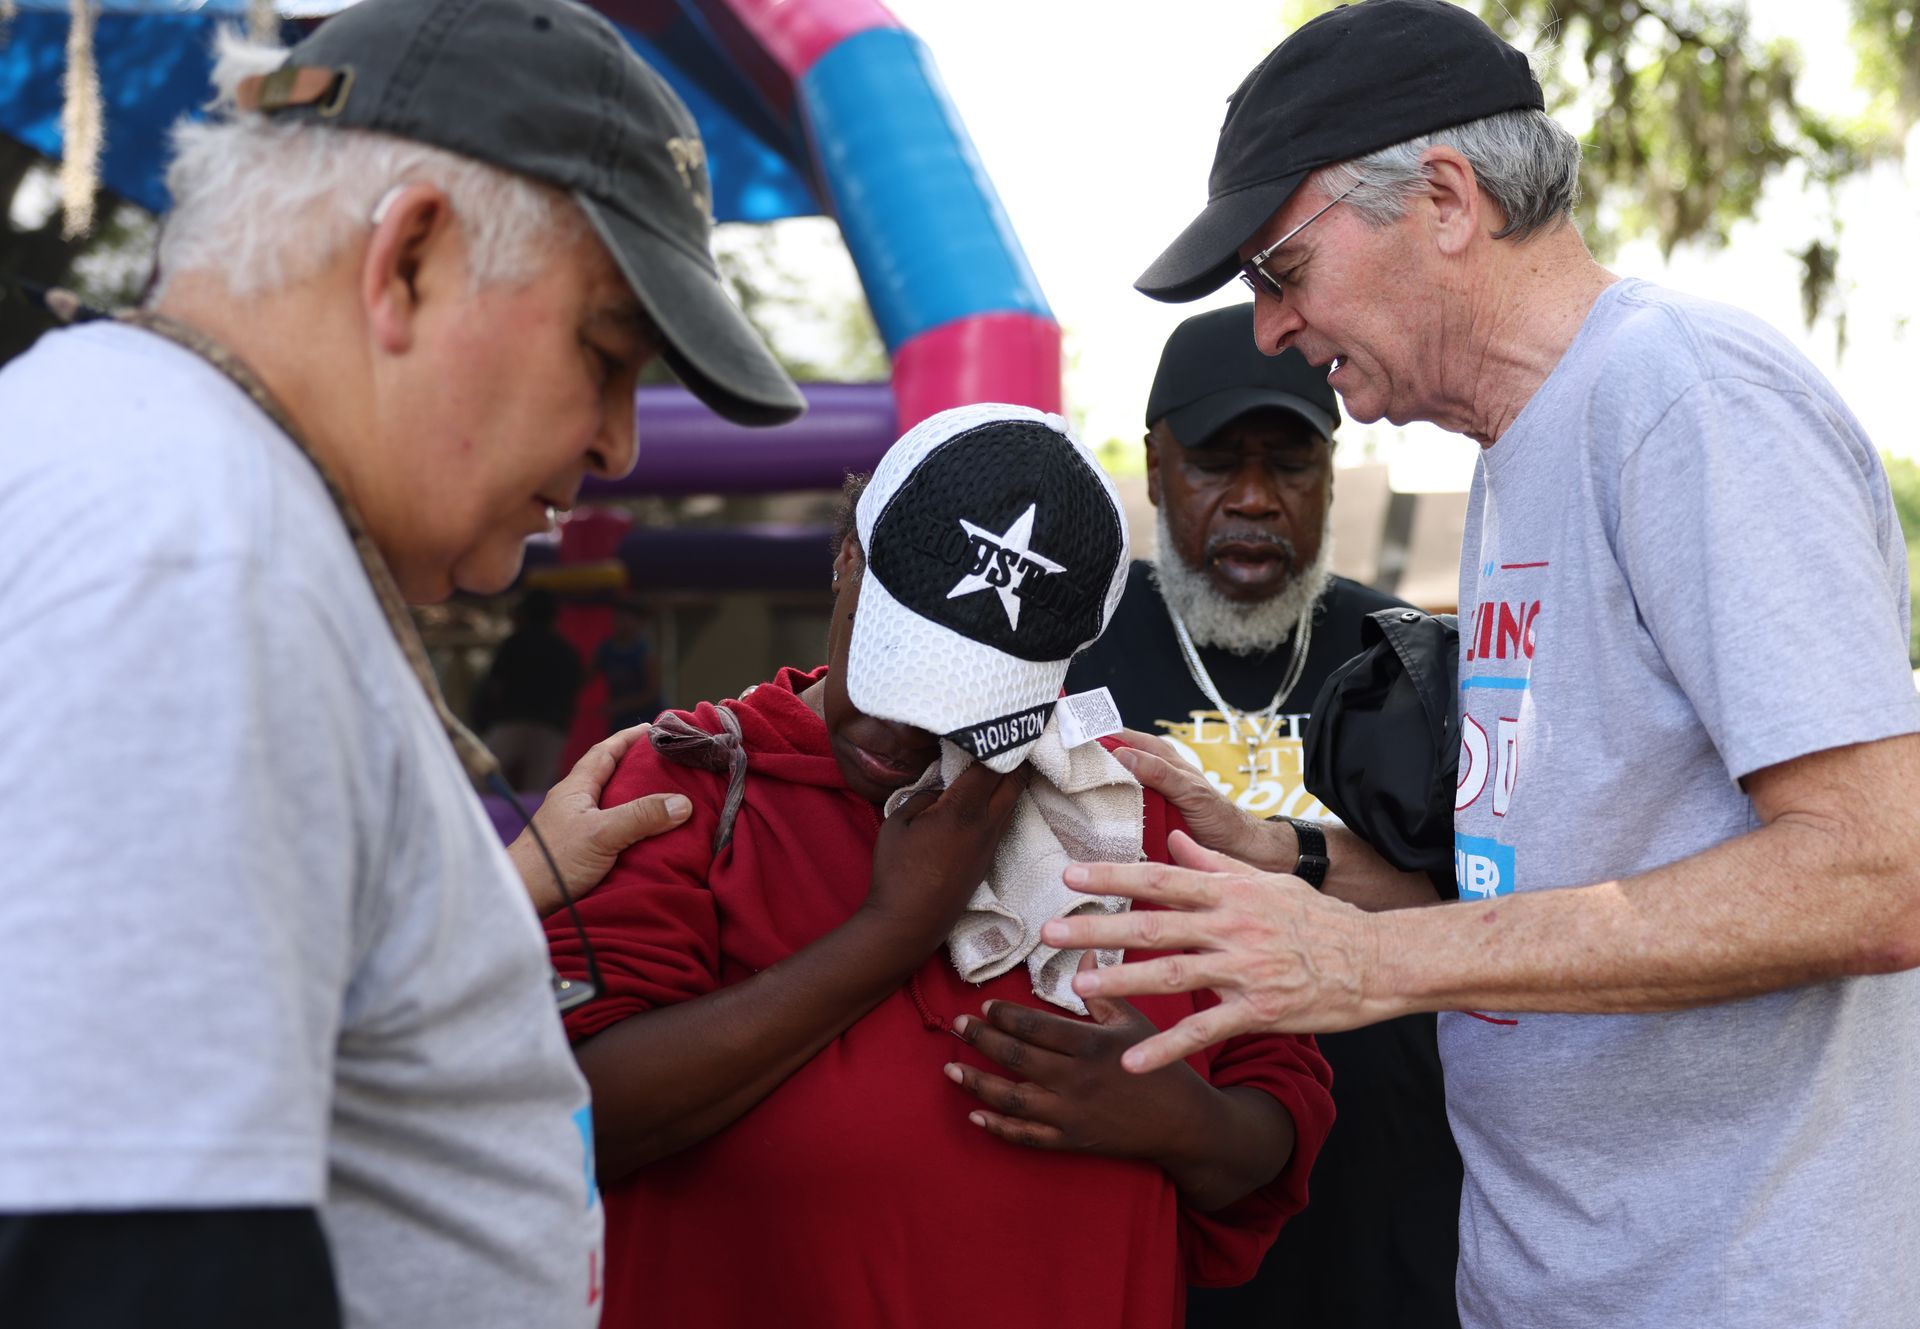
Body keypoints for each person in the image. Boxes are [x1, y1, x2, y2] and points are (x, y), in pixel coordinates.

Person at [1044, 3, 1920, 1327]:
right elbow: (1581, 866)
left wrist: (1367, 966)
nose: (1271, 328)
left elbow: (1875, 871)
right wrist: (1286, 858)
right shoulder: (1532, 443)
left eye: (1281, 268)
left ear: (1444, 198)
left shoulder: (1684, 399)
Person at [0, 0, 806, 1323]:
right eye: (606, 355)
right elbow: (122, 1260)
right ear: (412, 260)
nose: (621, 445)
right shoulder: (191, 544)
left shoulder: (196, 491)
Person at [545, 405, 1336, 1329]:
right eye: (894, 663)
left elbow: (1280, 1114)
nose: (893, 734)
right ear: (848, 559)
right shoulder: (685, 790)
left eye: (961, 698)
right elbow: (570, 1120)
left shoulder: (1125, 807)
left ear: (1057, 669)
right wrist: (891, 931)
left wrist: (1180, 1119)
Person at [1065, 305, 1459, 1329]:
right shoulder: (1069, 655)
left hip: (1391, 1179)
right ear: (1154, 467)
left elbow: (1479, 886)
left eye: (1289, 464)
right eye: (1212, 463)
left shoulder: (1409, 654)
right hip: (1161, 1162)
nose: (1252, 499)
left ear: (1331, 475)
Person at [475, 589, 584, 791]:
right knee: (538, 788)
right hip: (551, 726)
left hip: (511, 720)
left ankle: (485, 819)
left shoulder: (513, 644)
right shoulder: (566, 650)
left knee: (480, 776)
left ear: (523, 614)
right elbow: (575, 689)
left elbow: (495, 687)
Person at [594, 599, 662, 733]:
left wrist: (620, 706)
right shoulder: (605, 649)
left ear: (639, 623)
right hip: (620, 721)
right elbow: (586, 676)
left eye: (627, 619)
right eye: (619, 617)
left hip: (646, 719)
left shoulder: (644, 653)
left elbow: (652, 693)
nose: (622, 622)